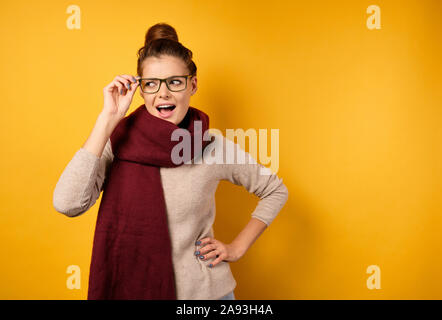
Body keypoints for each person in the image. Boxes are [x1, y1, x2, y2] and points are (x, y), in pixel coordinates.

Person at [53, 22, 288, 300]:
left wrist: (236, 248)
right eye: (151, 84)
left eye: (175, 82)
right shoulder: (116, 142)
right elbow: (67, 204)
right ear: (141, 91)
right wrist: (107, 120)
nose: (163, 94)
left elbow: (275, 190)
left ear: (193, 84)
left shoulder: (212, 145)